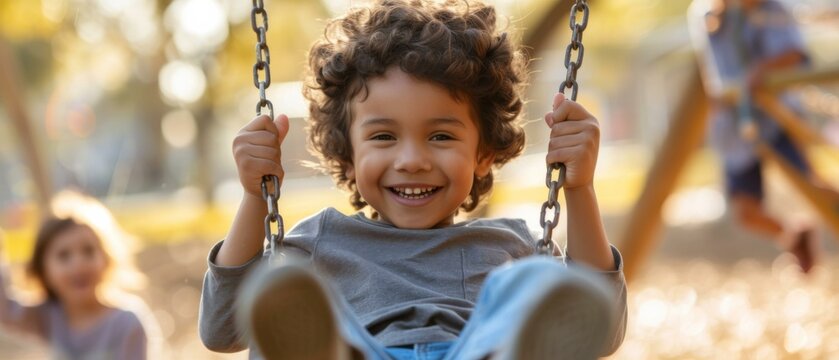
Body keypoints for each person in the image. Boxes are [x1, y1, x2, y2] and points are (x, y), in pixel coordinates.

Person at [199, 1, 627, 359]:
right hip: (361, 349)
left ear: (484, 154)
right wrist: (256, 196)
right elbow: (223, 330)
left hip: (475, 352)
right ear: (347, 156)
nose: (412, 160)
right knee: (297, 291)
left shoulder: (512, 244)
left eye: (440, 136)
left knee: (529, 283)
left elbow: (600, 330)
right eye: (384, 137)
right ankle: (332, 347)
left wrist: (580, 189)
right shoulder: (318, 242)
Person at [688, 0, 822, 273]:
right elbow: (712, 69)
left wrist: (761, 69)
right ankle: (794, 235)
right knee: (746, 212)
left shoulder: (771, 10)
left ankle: (814, 227)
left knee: (812, 185)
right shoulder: (706, 14)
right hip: (735, 126)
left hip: (775, 114)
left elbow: (796, 54)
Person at [0, 190, 156, 359]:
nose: (78, 265)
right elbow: (6, 312)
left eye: (88, 251)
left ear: (107, 257)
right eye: (64, 256)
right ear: (43, 269)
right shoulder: (50, 315)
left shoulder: (127, 323)